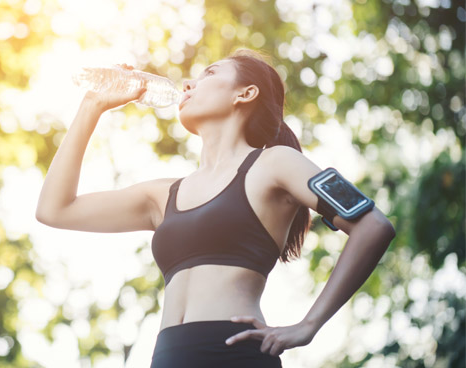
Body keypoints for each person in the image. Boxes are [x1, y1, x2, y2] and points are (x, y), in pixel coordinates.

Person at [35, 48, 396, 367]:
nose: (189, 84)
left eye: (208, 74)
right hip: (167, 356)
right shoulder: (163, 195)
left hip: (234, 353)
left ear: (246, 93)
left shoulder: (276, 164)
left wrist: (308, 324)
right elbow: (55, 210)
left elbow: (373, 226)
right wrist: (92, 106)